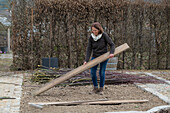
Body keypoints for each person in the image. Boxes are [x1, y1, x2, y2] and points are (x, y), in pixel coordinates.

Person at [84, 22, 115, 94]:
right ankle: (95, 87)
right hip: (95, 56)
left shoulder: (104, 35)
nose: (94, 32)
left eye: (95, 30)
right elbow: (89, 49)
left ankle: (101, 88)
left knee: (102, 72)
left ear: (99, 29)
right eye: (92, 30)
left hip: (104, 56)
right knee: (92, 72)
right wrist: (86, 60)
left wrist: (111, 53)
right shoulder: (91, 37)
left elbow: (112, 44)